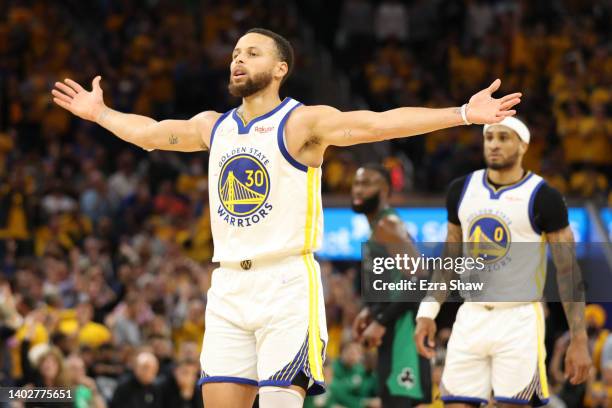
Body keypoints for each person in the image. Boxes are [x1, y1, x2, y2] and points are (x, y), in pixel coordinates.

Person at [51, 27, 521, 408]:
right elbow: (152, 134)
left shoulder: (302, 123)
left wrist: (462, 114)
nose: (237, 59)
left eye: (251, 53)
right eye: (235, 52)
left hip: (286, 283)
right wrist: (100, 113)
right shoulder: (212, 126)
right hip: (229, 287)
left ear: (279, 69)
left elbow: (380, 122)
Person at [414, 117, 592, 407]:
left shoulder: (544, 196)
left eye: (503, 138)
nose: (494, 144)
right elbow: (449, 260)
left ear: (522, 146)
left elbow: (568, 271)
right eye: (489, 137)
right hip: (470, 314)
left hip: (519, 319)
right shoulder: (461, 190)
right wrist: (427, 312)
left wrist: (579, 338)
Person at [351, 163, 431, 407]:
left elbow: (420, 279)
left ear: (384, 189)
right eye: (356, 183)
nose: (358, 190)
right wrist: (370, 310)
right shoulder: (379, 228)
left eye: (366, 183)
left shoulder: (389, 225)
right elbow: (392, 284)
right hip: (392, 331)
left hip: (403, 333)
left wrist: (380, 321)